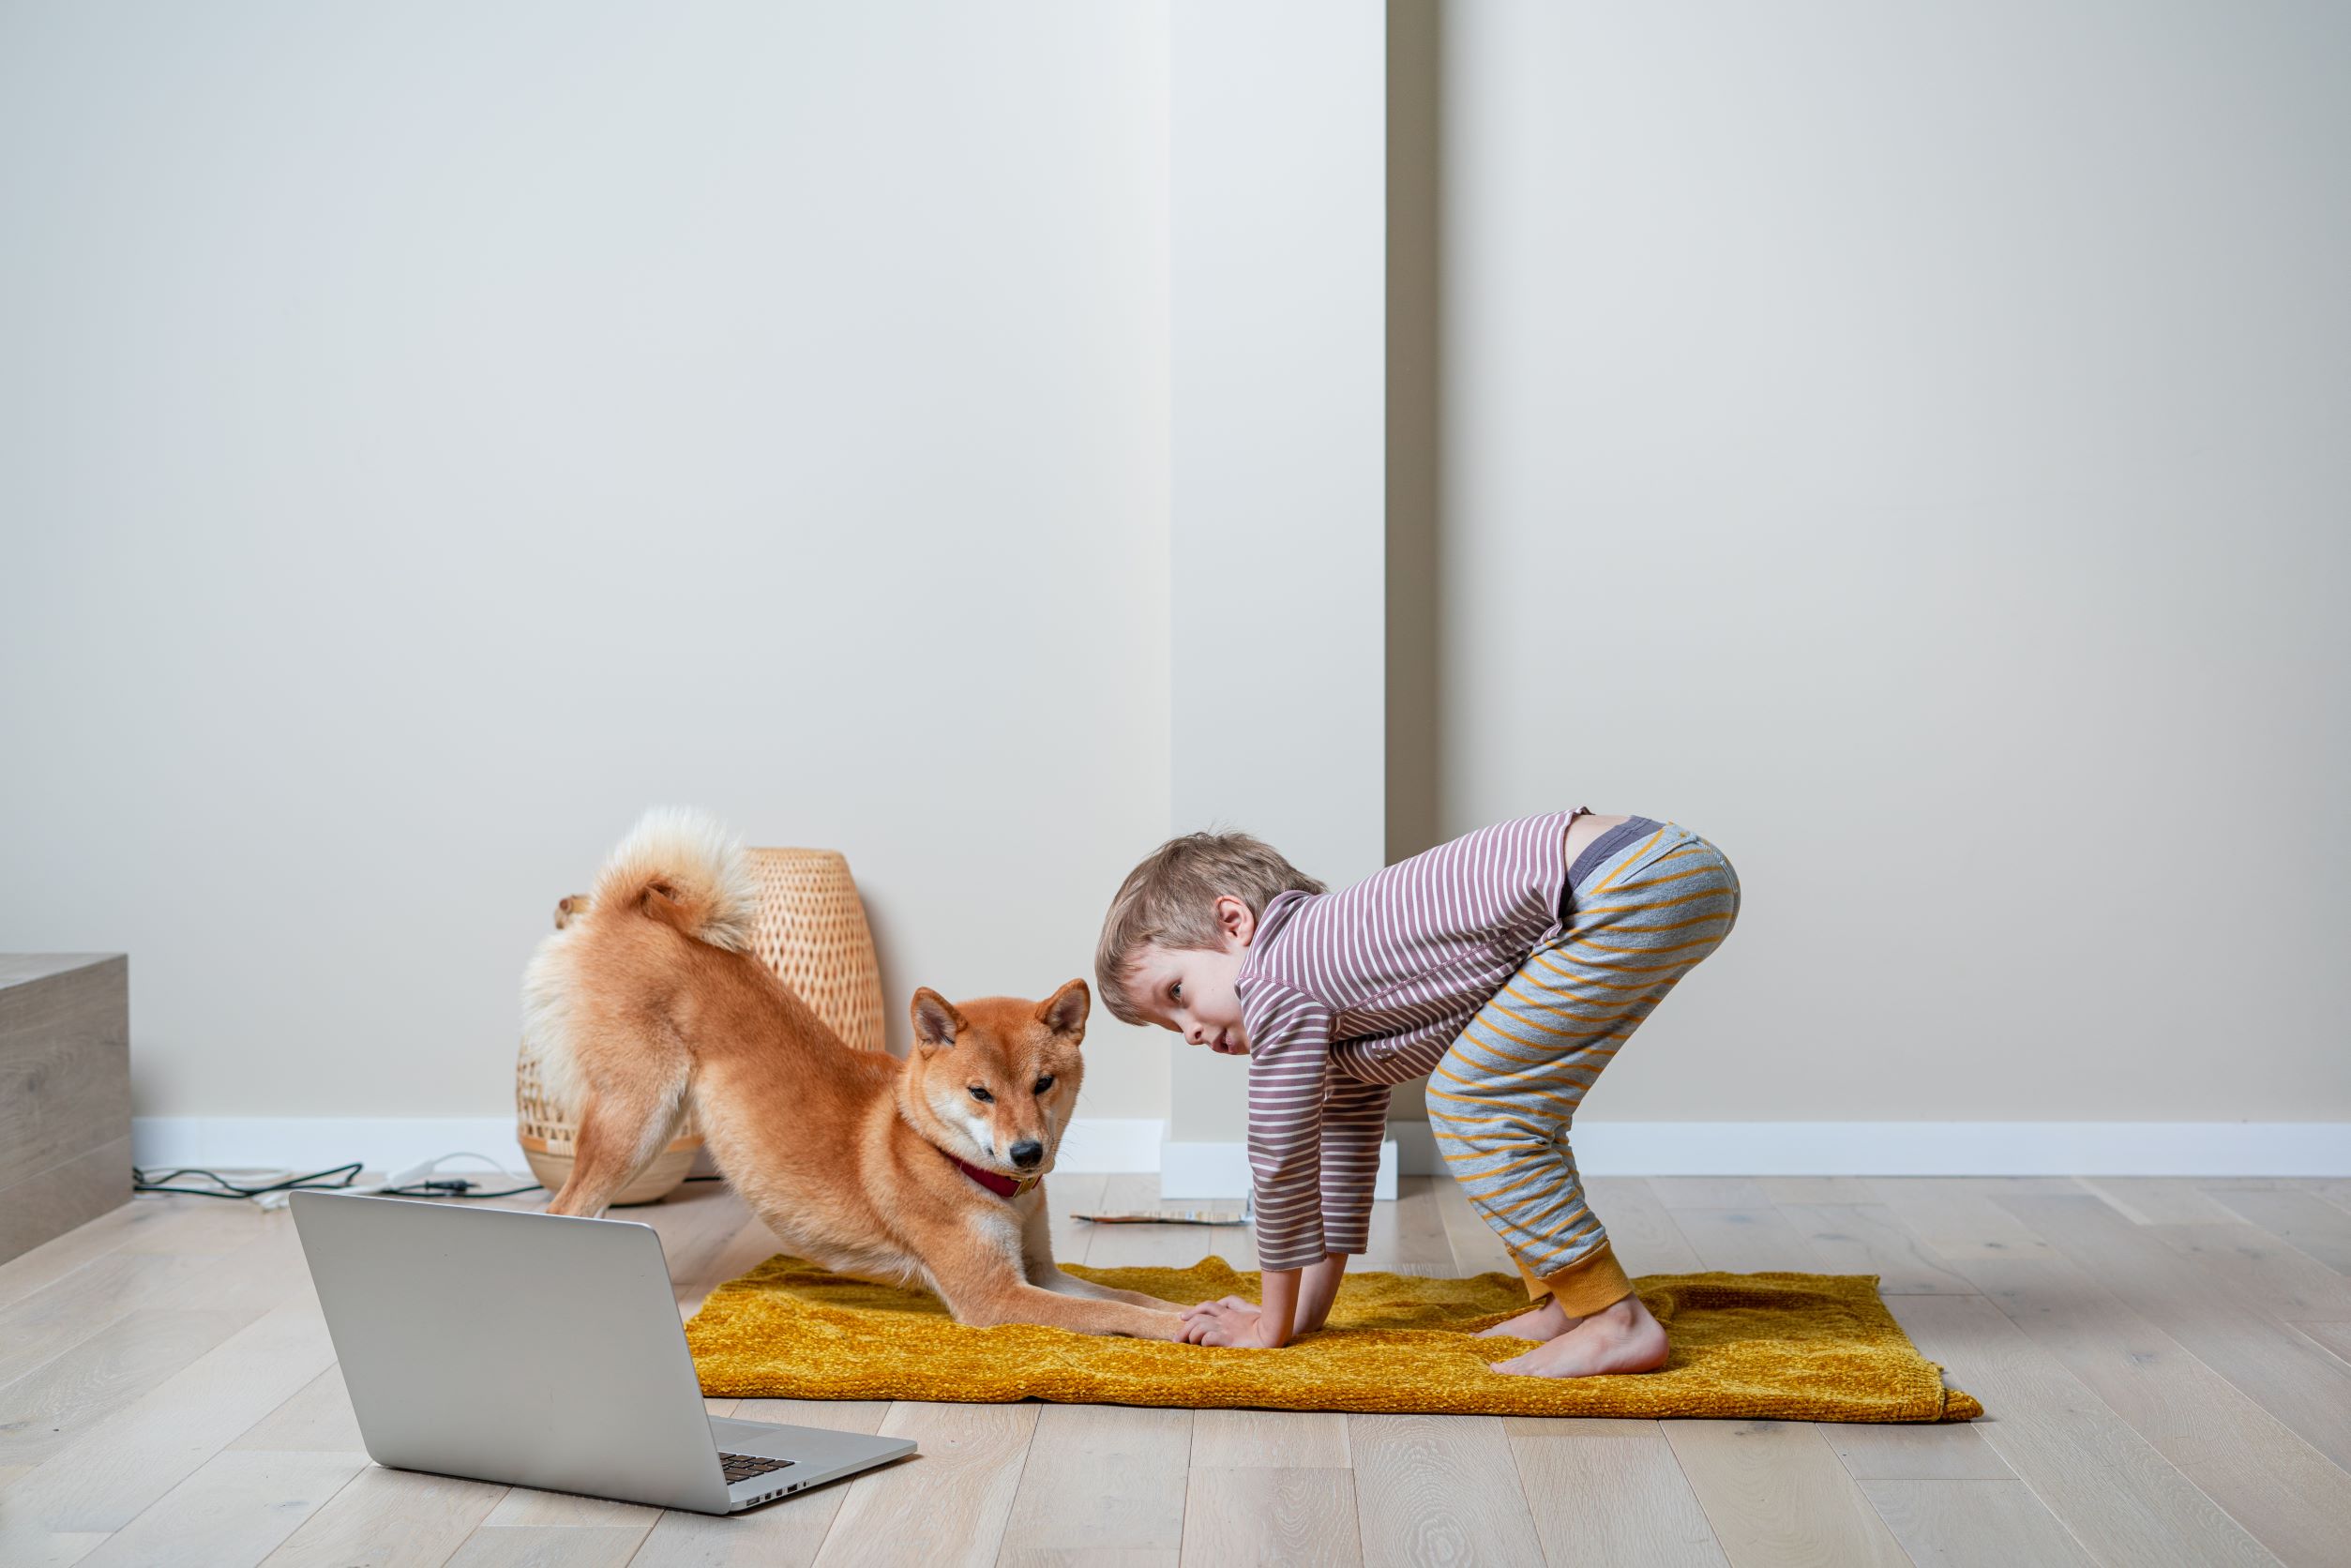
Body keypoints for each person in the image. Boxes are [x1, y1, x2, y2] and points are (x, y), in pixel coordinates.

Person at [1093, 810, 1740, 1378]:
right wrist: (1300, 1319)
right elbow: (1339, 1162)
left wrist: (1268, 1328)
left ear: (1234, 923)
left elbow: (1280, 1157)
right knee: (1509, 1106)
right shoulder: (1331, 1000)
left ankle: (1614, 1319)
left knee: (1474, 1100)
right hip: (1654, 869)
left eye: (1177, 994)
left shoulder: (1280, 974)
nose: (1190, 1034)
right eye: (1168, 1024)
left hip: (1627, 878)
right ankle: (1571, 1303)